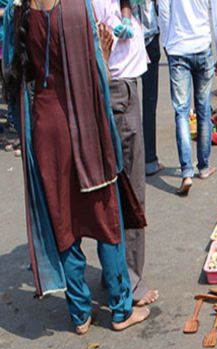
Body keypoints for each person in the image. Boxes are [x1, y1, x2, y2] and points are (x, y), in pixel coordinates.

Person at [2, 0, 149, 333]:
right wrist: (107, 55)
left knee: (62, 219)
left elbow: (14, 81)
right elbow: (95, 73)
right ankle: (121, 309)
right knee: (106, 215)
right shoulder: (76, 8)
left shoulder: (18, 12)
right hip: (83, 122)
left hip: (44, 126)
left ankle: (80, 313)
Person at [93, 0, 158, 307]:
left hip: (125, 82)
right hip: (117, 85)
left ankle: (117, 272)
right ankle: (128, 280)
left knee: (121, 187)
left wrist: (128, 14)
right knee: (128, 191)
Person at [158, 0, 217, 196]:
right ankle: (203, 167)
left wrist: (166, 42)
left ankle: (187, 172)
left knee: (181, 112)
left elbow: (163, 12)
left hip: (178, 49)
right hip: (202, 47)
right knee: (203, 109)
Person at [132, 0, 164, 176]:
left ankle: (133, 160)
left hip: (128, 39)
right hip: (149, 36)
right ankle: (149, 160)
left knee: (130, 103)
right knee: (149, 102)